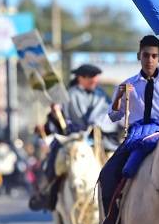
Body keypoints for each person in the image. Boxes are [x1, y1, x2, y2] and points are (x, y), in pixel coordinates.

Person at [92, 35, 159, 224]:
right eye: (146, 55)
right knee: (107, 174)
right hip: (135, 136)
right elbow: (114, 116)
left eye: (154, 56)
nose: (149, 60)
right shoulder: (127, 85)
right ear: (139, 56)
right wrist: (119, 98)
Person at [29, 63, 114, 211]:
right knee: (55, 159)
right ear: (80, 78)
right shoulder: (68, 96)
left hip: (99, 140)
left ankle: (117, 197)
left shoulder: (101, 95)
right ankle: (48, 193)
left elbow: (110, 116)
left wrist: (99, 127)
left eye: (95, 77)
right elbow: (58, 121)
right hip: (71, 139)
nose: (95, 80)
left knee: (116, 161)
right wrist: (55, 114)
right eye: (91, 77)